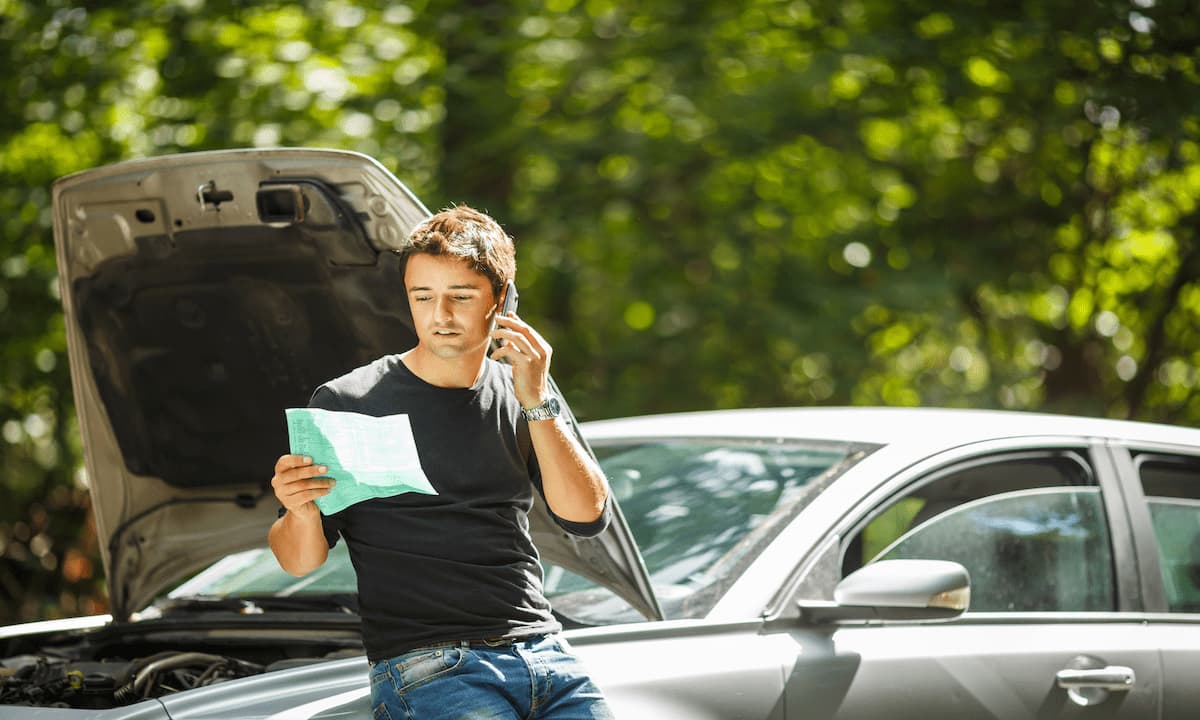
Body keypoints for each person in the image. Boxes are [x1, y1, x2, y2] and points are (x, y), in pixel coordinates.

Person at [267, 205, 616, 719]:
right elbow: (298, 561)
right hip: (428, 666)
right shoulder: (348, 400)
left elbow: (586, 517)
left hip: (545, 652)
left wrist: (537, 399)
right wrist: (300, 511)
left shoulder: (526, 394)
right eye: (423, 296)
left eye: (461, 296)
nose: (441, 316)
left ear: (502, 301)